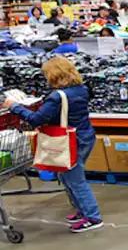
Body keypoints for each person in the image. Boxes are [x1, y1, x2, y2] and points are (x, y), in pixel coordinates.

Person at [1, 57, 102, 232]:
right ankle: (82, 211)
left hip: (70, 141)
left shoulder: (57, 97)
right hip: (85, 135)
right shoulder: (82, 89)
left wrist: (14, 106)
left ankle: (93, 217)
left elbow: (36, 119)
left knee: (75, 179)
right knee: (68, 176)